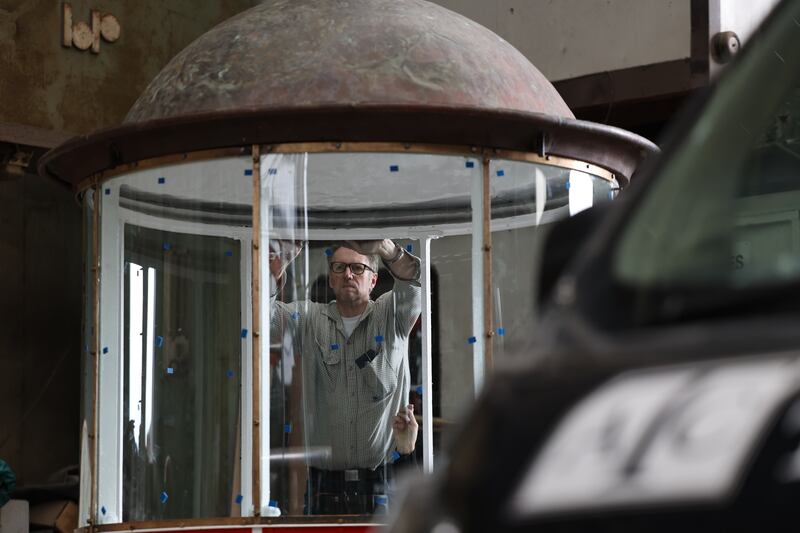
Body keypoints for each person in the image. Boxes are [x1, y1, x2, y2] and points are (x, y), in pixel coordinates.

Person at [269, 238, 421, 514]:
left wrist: (385, 248)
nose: (348, 274)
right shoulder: (309, 319)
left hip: (383, 486)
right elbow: (263, 320)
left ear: (374, 280)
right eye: (339, 267)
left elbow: (412, 281)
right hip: (324, 489)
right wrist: (275, 272)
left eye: (357, 268)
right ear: (330, 279)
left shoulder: (391, 317)